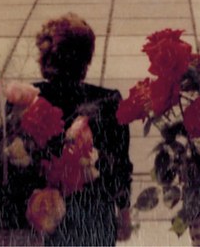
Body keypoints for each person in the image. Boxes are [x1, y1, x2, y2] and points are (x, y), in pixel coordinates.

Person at [33, 14, 132, 245]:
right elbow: (119, 165)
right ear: (86, 60)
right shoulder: (109, 101)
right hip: (93, 217)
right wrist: (124, 214)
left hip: (43, 215)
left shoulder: (28, 99)